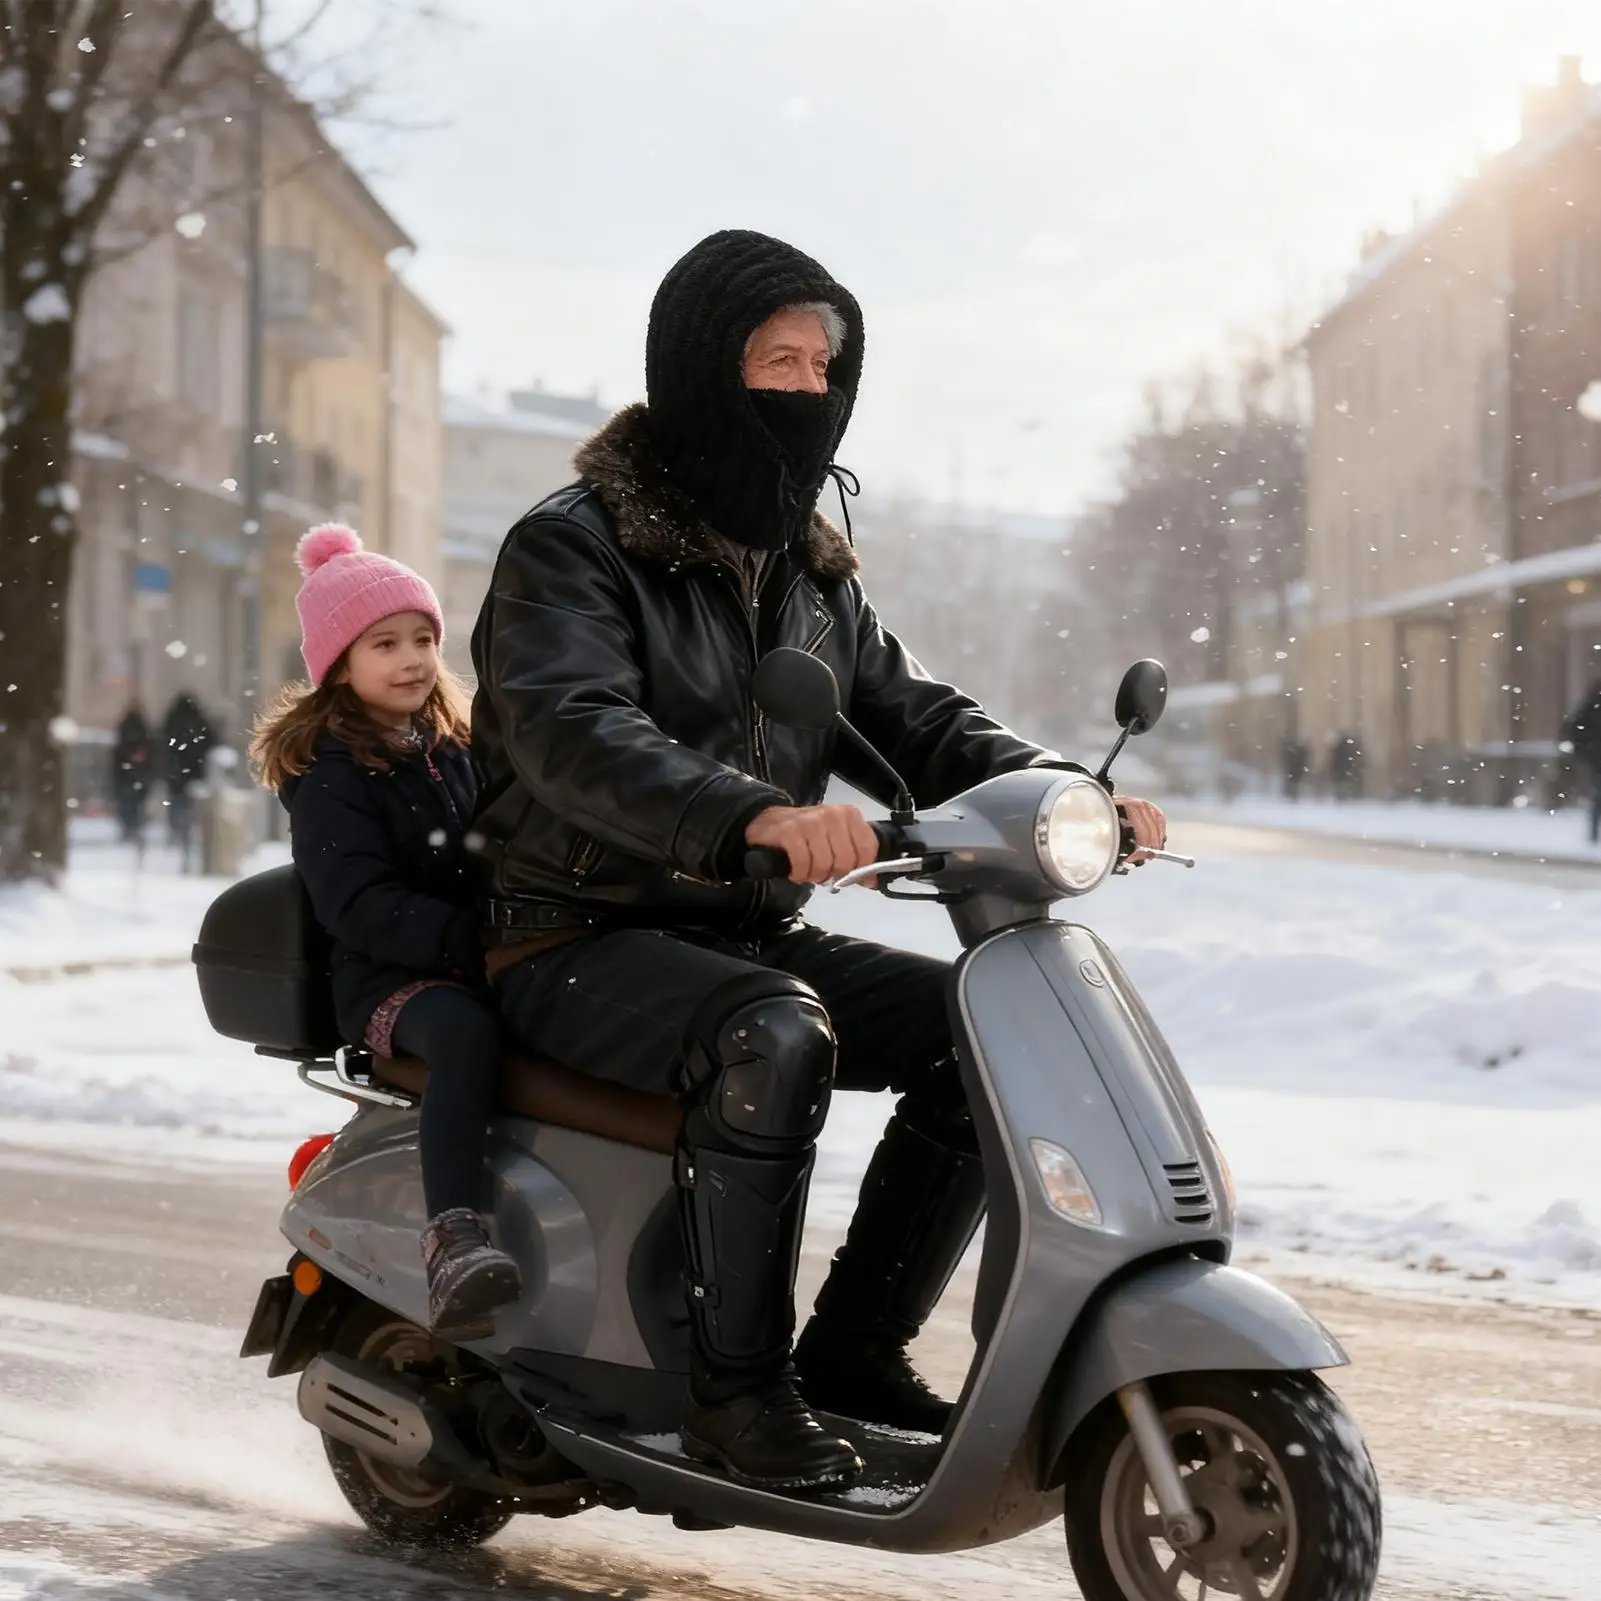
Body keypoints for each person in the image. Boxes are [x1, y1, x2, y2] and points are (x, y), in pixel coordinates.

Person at [469, 230, 1167, 1492]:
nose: (801, 387)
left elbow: (916, 718)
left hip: (736, 931)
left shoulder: (811, 573)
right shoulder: (569, 546)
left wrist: (1070, 791)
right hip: (569, 930)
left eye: (820, 362)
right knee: (772, 1030)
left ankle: (853, 1348)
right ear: (695, 368)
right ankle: (734, 1393)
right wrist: (748, 810)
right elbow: (573, 728)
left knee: (981, 1026)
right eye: (771, 359)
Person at [250, 523, 522, 1338]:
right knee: (466, 1035)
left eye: (423, 639)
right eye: (385, 643)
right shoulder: (332, 774)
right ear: (339, 662)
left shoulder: (461, 745)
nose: (411, 658)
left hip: (479, 951)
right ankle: (452, 1235)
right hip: (388, 980)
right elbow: (357, 904)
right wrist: (472, 942)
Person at [159, 692, 214, 864]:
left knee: (176, 804)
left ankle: (177, 831)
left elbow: (164, 745)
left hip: (176, 774)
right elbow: (210, 740)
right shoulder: (199, 722)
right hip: (194, 772)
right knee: (190, 806)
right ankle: (189, 831)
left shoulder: (172, 721)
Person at [1561, 679, 1601, 842]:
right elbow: (1574, 732)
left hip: (1592, 758)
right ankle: (1592, 834)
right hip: (1594, 759)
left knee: (1597, 797)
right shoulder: (1591, 709)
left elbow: (1572, 731)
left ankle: (1593, 834)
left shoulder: (1589, 708)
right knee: (1597, 797)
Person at [110, 703, 153, 845]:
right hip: (136, 774)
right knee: (135, 804)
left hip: (125, 775)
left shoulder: (125, 732)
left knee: (127, 804)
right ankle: (133, 828)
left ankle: (129, 829)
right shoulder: (142, 732)